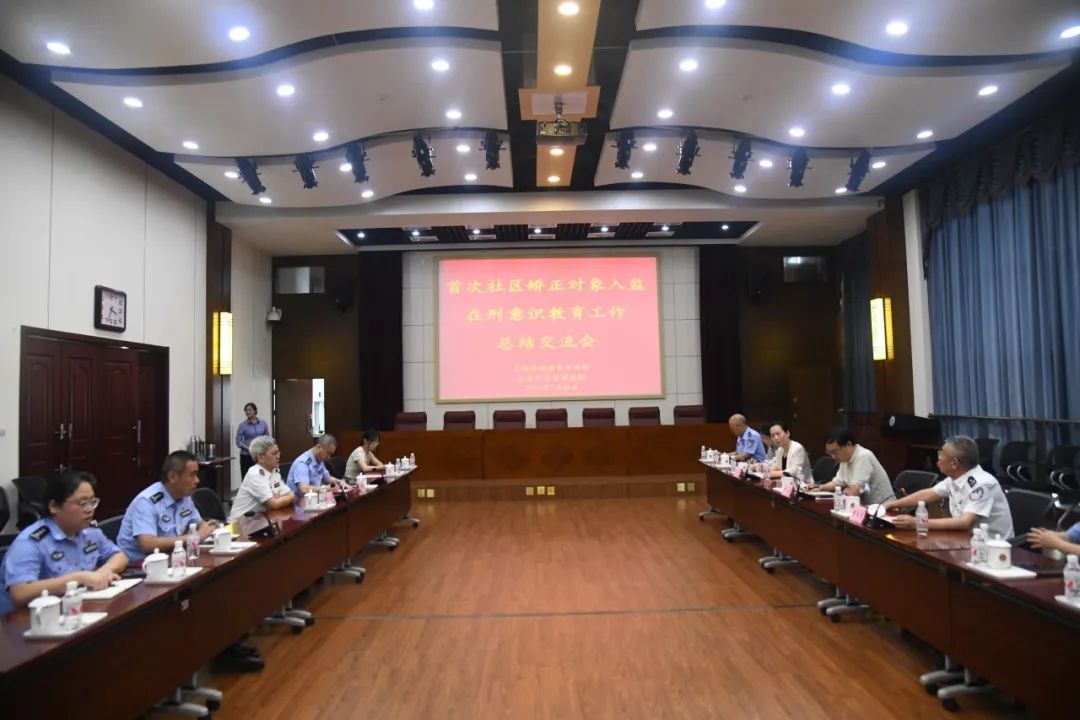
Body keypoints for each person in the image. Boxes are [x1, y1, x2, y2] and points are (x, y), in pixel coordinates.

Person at [1, 471, 128, 613]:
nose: (89, 510)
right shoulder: (30, 542)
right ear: (54, 506)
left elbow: (119, 556)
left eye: (92, 502)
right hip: (34, 618)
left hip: (78, 608)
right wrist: (77, 579)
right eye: (82, 503)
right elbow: (20, 592)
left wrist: (103, 572)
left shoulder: (89, 532)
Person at [883, 436, 1013, 538]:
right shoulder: (956, 477)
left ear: (954, 463)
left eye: (941, 453)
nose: (938, 457)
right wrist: (892, 504)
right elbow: (927, 494)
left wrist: (918, 522)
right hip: (965, 539)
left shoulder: (982, 484)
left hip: (991, 548)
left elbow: (965, 522)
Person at [117, 450, 220, 560]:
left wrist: (208, 528)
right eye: (192, 475)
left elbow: (199, 524)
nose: (197, 480)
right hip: (139, 564)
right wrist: (193, 537)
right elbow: (147, 544)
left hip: (171, 558)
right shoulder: (147, 502)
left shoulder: (184, 496)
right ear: (172, 477)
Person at [810, 427, 896, 506]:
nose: (833, 457)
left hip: (884, 508)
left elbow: (854, 491)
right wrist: (820, 488)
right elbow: (838, 482)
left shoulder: (863, 456)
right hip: (866, 507)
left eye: (835, 452)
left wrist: (845, 491)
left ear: (848, 444)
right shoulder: (845, 458)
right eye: (830, 453)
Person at [229, 435, 295, 521]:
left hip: (261, 520)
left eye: (278, 452)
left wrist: (280, 500)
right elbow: (275, 504)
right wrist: (277, 500)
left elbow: (291, 495)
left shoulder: (274, 471)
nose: (278, 456)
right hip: (240, 524)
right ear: (260, 457)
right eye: (274, 453)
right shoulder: (255, 474)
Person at [235, 402, 270, 480]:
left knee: (261, 477)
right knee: (247, 478)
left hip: (260, 455)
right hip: (246, 455)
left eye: (249, 410)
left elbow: (267, 438)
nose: (247, 412)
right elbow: (238, 441)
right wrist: (249, 448)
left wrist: (264, 448)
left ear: (255, 411)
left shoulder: (263, 423)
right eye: (246, 410)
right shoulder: (242, 425)